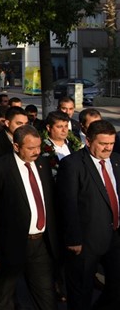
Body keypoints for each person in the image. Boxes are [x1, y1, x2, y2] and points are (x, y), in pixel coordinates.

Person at [0, 125, 58, 310]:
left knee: (46, 297)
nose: (36, 152)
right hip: (12, 244)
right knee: (4, 296)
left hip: (40, 244)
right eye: (30, 148)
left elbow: (48, 201)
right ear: (16, 146)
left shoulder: (42, 165)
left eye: (38, 146)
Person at [56, 120, 120, 309]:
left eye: (111, 143)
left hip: (115, 237)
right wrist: (73, 238)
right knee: (81, 292)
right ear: (89, 141)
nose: (107, 148)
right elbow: (68, 204)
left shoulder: (116, 160)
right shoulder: (73, 164)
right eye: (103, 144)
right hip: (85, 241)